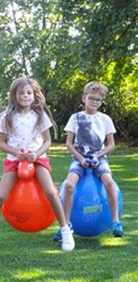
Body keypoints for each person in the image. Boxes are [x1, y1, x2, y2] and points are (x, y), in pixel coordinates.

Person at [0, 77, 75, 254]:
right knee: (0, 196)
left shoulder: (40, 116)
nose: (25, 96)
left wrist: (36, 154)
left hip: (37, 159)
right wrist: (16, 152)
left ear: (34, 95)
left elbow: (47, 141)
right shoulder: (6, 117)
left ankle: (65, 230)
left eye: (29, 93)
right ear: (14, 95)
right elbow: (0, 142)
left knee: (51, 192)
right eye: (21, 93)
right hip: (14, 160)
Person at [53, 82, 123, 241]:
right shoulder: (75, 118)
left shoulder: (105, 119)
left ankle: (115, 222)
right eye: (91, 98)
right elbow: (69, 144)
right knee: (69, 186)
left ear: (101, 101)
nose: (94, 102)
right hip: (79, 159)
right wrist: (81, 158)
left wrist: (98, 156)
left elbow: (111, 144)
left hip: (100, 158)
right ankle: (65, 226)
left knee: (109, 183)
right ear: (84, 98)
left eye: (98, 100)